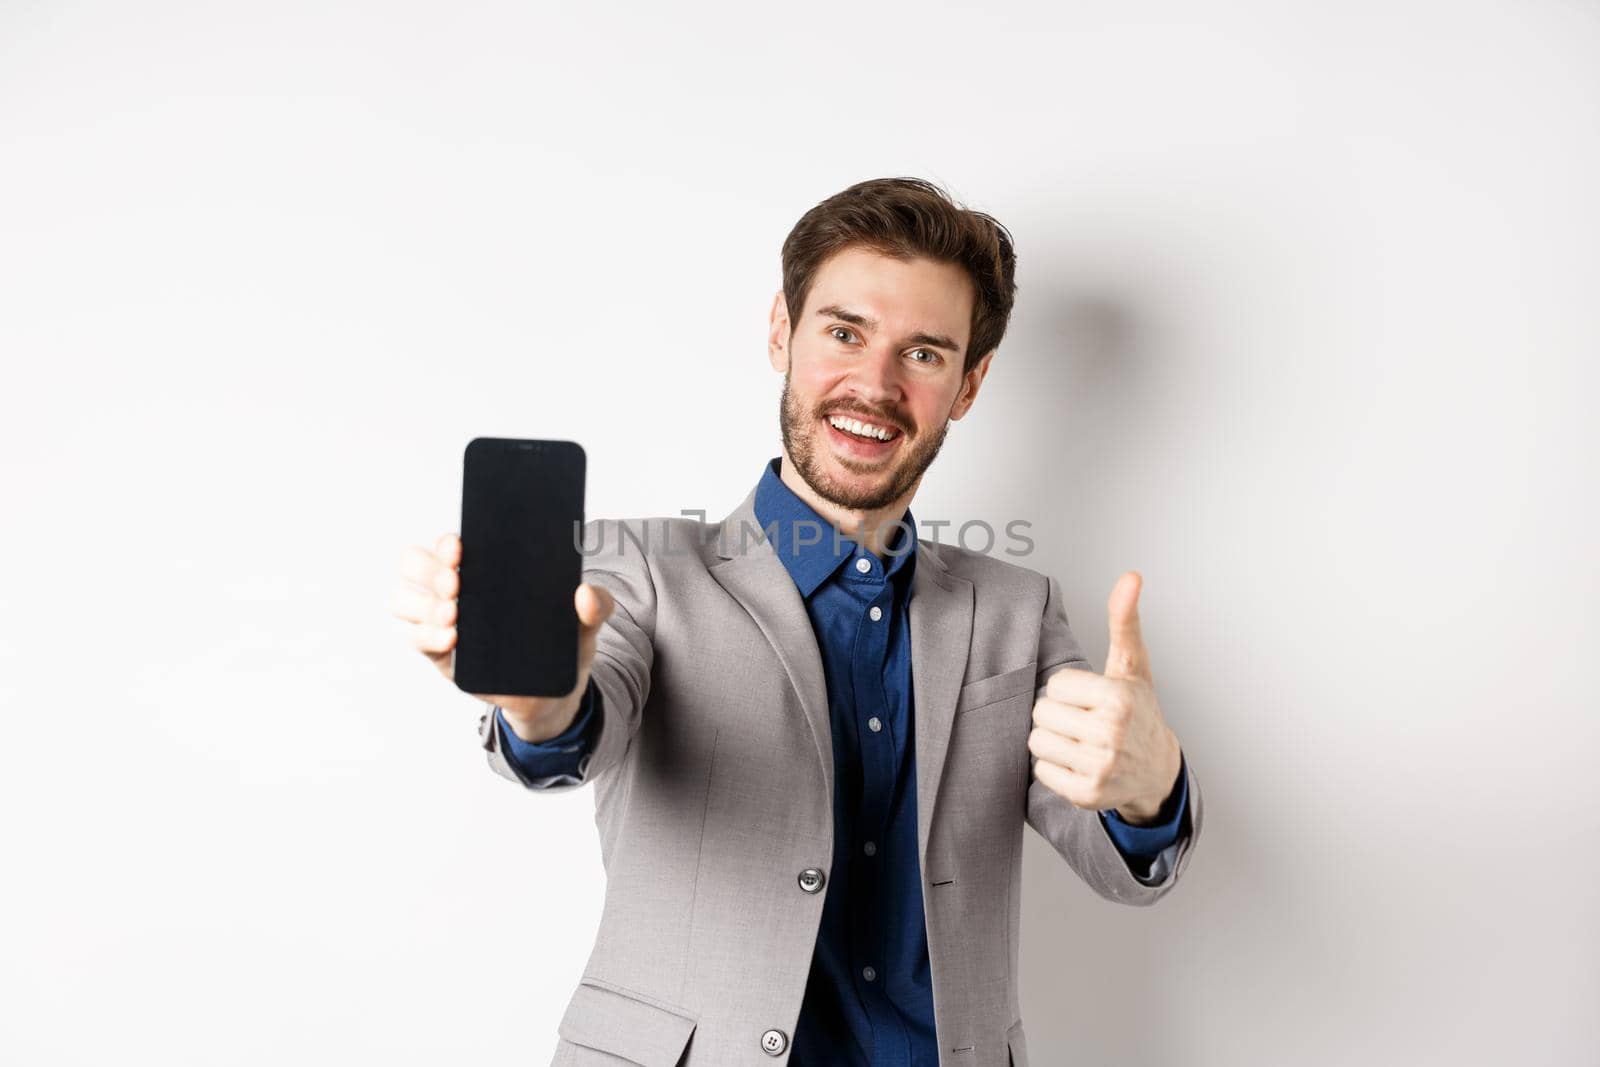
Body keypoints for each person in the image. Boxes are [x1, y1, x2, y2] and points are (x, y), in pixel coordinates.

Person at [389, 177, 1203, 1066]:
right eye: (845, 332)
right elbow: (580, 717)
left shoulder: (1018, 612)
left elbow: (1115, 851)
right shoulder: (642, 570)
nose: (876, 384)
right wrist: (538, 702)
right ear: (782, 330)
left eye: (924, 354)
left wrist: (1149, 787)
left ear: (968, 383)